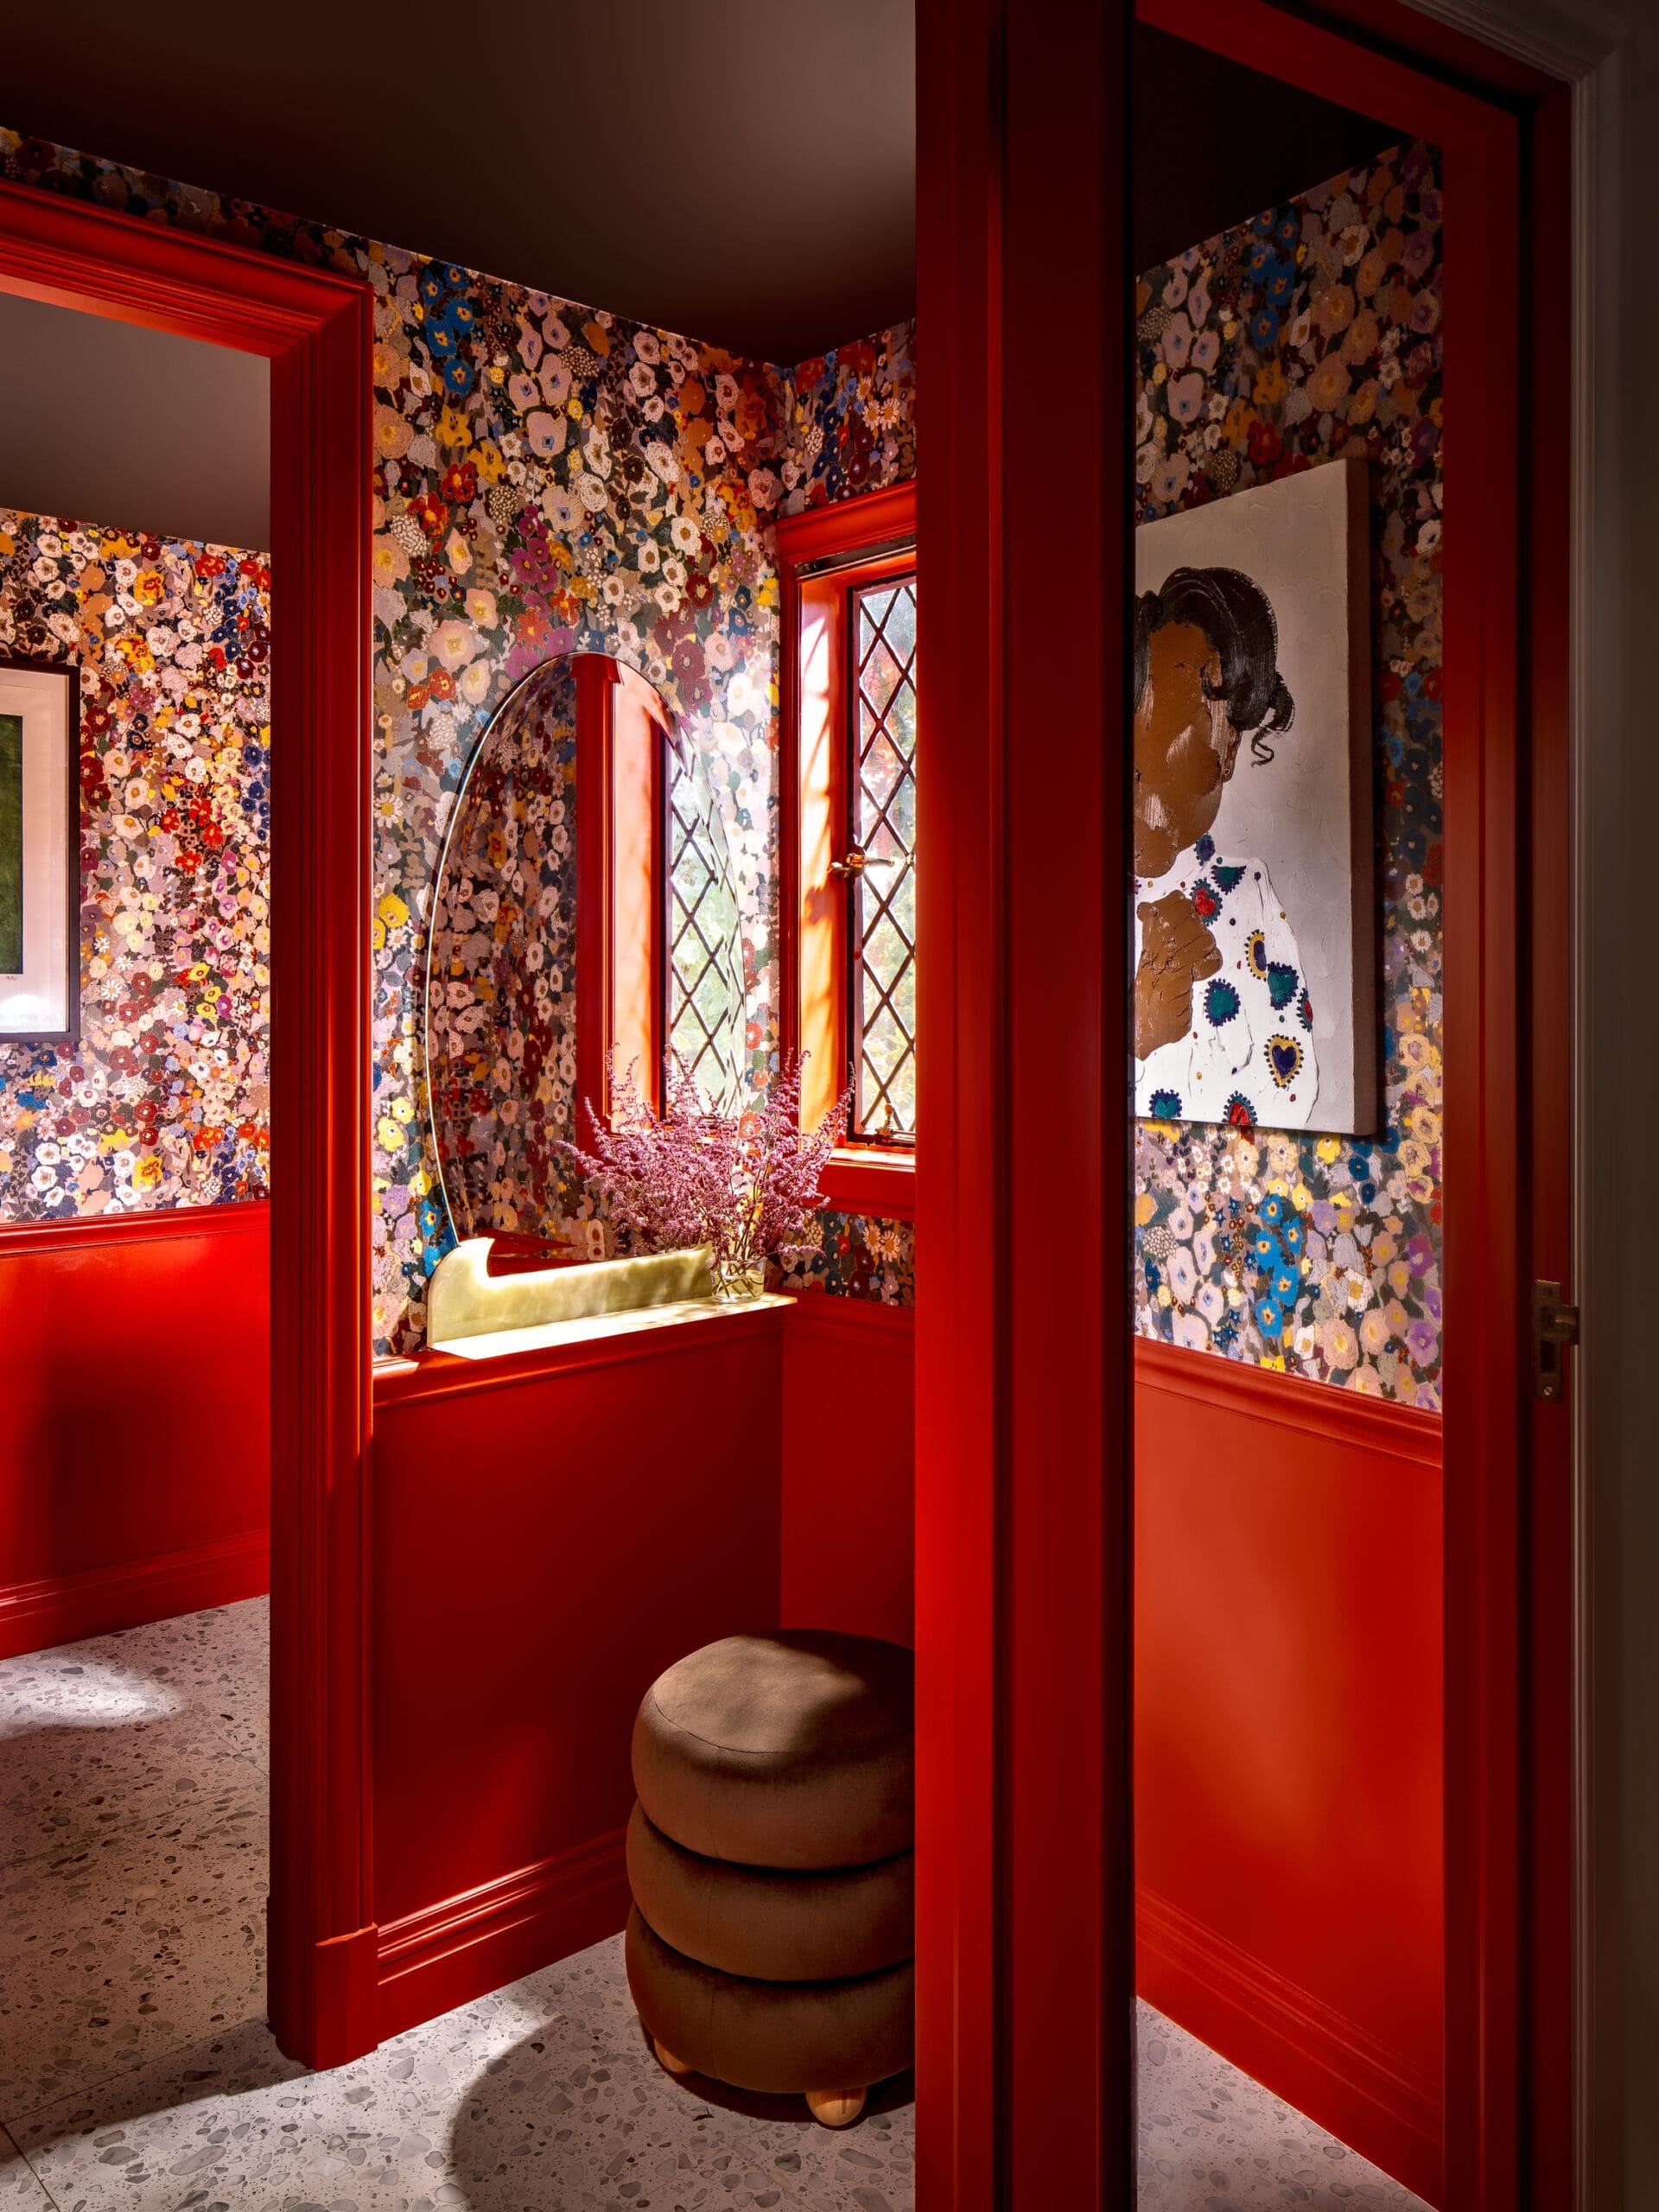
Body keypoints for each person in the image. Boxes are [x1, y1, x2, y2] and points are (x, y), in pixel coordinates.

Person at [1133, 564, 1319, 1130]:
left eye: (1183, 737)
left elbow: (1296, 1084)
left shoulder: (1246, 901)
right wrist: (1138, 1032)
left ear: (1228, 751)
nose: (1150, 764)